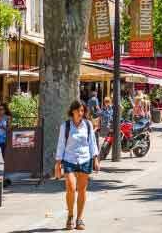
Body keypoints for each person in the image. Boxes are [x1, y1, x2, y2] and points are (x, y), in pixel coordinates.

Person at [55, 99, 100, 231]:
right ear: (73, 111)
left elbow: (92, 142)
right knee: (71, 187)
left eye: (82, 111)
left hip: (85, 159)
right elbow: (61, 145)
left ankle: (79, 219)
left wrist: (95, 159)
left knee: (82, 190)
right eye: (78, 110)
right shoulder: (66, 126)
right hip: (69, 159)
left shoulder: (88, 125)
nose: (80, 113)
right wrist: (58, 163)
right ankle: (70, 215)